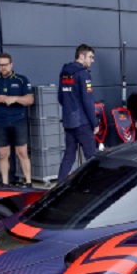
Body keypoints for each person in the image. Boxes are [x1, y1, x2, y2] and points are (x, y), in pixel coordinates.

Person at [0, 52, 33, 187]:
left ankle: (28, 182)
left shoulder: (21, 79)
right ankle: (5, 183)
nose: (3, 68)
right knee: (3, 154)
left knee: (22, 152)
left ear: (11, 64)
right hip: (0, 122)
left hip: (18, 120)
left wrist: (15, 99)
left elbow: (30, 99)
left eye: (5, 65)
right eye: (0, 65)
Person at [58, 44, 98, 182]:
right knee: (92, 157)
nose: (92, 60)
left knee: (69, 156)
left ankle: (58, 186)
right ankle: (95, 185)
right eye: (90, 57)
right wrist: (95, 123)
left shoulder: (65, 72)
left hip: (69, 120)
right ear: (81, 56)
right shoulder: (83, 74)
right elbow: (88, 101)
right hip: (82, 122)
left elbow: (60, 97)